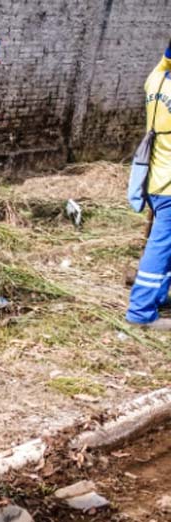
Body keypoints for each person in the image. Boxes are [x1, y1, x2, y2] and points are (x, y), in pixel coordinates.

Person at [127, 41, 171, 330]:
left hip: (154, 179)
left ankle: (157, 296)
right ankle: (141, 312)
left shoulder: (156, 80)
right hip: (169, 185)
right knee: (161, 247)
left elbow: (165, 59)